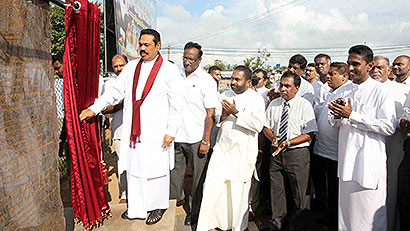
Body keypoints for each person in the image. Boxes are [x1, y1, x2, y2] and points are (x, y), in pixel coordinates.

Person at [79, 29, 183, 225]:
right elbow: (115, 92)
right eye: (141, 45)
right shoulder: (132, 67)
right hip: (134, 131)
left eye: (147, 45)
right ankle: (137, 208)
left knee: (156, 169)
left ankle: (157, 206)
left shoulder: (169, 70)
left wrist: (171, 131)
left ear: (158, 46)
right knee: (134, 169)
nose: (142, 49)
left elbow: (178, 104)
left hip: (158, 131)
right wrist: (94, 109)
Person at [328, 45, 395, 230]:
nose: (350, 68)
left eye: (356, 64)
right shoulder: (343, 90)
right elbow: (333, 123)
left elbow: (389, 126)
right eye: (349, 63)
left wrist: (353, 115)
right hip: (346, 164)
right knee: (347, 217)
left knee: (370, 217)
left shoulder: (381, 91)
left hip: (368, 166)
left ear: (370, 65)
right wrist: (336, 115)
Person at [196, 66, 265, 231]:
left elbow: (258, 125)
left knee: (237, 192)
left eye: (237, 79)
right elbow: (217, 119)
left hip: (243, 153)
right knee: (213, 185)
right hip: (222, 150)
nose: (233, 82)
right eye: (232, 78)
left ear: (248, 82)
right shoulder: (224, 95)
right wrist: (224, 116)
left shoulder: (256, 99)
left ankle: (236, 226)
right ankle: (213, 223)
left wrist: (236, 113)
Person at [170, 42, 218, 227]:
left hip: (197, 138)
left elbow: (210, 113)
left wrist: (206, 140)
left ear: (199, 60)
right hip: (175, 137)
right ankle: (175, 204)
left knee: (198, 180)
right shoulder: (176, 76)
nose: (186, 61)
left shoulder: (206, 80)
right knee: (175, 175)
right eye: (184, 57)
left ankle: (195, 212)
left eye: (191, 58)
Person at [264, 71, 317, 231]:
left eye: (287, 86)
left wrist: (288, 142)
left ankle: (298, 225)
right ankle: (277, 222)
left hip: (297, 154)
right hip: (276, 153)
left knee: (300, 193)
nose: (283, 89)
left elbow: (310, 133)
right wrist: (273, 137)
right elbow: (266, 126)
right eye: (281, 85)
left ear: (297, 88)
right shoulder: (274, 104)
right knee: (277, 189)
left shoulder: (304, 105)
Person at [371, 56, 410, 231]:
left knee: (391, 188)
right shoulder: (364, 89)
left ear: (388, 70)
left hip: (393, 146)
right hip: (370, 147)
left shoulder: (400, 91)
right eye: (372, 67)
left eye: (380, 68)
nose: (375, 71)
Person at [312, 62, 351, 228]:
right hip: (320, 149)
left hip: (335, 153)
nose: (328, 77)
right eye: (328, 74)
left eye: (332, 74)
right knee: (321, 189)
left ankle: (333, 221)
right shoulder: (330, 91)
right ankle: (322, 218)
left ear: (344, 76)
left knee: (334, 192)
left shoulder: (348, 92)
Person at [102, 54, 128, 203]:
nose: (119, 69)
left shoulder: (135, 82)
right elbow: (105, 108)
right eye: (116, 67)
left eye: (121, 65)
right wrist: (123, 104)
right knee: (123, 162)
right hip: (119, 131)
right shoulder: (110, 85)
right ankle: (124, 194)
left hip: (137, 131)